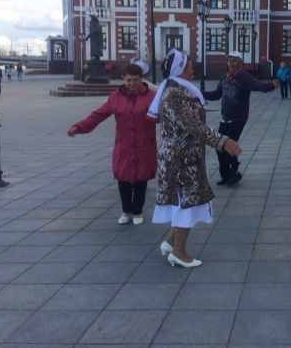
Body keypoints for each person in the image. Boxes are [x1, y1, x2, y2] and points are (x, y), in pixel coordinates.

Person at [149, 49, 242, 268]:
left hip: (184, 155)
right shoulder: (176, 94)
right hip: (181, 158)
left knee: (185, 202)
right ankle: (179, 253)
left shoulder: (178, 89)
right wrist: (224, 142)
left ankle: (170, 243)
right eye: (190, 67)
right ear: (181, 69)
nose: (193, 70)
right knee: (187, 204)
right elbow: (194, 126)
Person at [67, 63, 157, 225]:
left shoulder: (152, 96)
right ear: (123, 79)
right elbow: (98, 114)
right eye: (129, 80)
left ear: (141, 79)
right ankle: (126, 210)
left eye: (136, 80)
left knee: (141, 179)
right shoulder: (116, 97)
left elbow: (165, 114)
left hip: (144, 144)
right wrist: (79, 127)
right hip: (124, 144)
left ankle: (137, 211)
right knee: (123, 178)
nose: (132, 84)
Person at [202, 51, 279, 186]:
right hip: (225, 118)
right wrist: (200, 94)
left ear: (240, 62)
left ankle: (235, 173)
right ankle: (226, 175)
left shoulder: (244, 77)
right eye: (229, 60)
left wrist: (272, 85)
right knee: (219, 146)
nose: (231, 63)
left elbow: (258, 85)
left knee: (228, 146)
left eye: (234, 61)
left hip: (238, 118)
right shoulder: (225, 77)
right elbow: (216, 95)